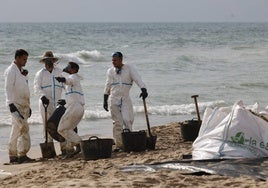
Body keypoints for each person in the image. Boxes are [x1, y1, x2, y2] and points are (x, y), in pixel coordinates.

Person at [103, 52, 148, 150]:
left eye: (115, 60)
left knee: (127, 120)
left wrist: (143, 89)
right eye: (112, 60)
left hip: (125, 98)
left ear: (121, 59)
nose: (113, 62)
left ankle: (128, 142)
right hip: (113, 98)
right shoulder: (110, 71)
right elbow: (108, 85)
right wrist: (105, 98)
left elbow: (137, 79)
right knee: (117, 122)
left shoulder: (129, 69)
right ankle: (119, 145)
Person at [4, 49, 34, 163]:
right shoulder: (11, 71)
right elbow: (8, 88)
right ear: (17, 58)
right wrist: (10, 104)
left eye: (26, 59)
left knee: (16, 130)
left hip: (23, 105)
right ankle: (22, 155)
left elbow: (24, 88)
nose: (25, 61)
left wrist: (28, 106)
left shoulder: (20, 71)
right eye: (24, 59)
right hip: (16, 105)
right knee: (23, 128)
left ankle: (13, 156)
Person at [33, 51, 66, 154]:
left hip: (58, 103)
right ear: (44, 62)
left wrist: (67, 98)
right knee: (47, 125)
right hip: (45, 104)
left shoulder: (60, 71)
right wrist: (42, 96)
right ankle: (50, 150)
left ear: (53, 60)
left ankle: (64, 148)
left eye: (50, 60)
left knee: (61, 125)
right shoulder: (40, 73)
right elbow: (36, 87)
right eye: (47, 60)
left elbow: (66, 85)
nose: (49, 62)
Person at [55, 62, 85, 158]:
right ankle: (76, 146)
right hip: (77, 107)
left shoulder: (73, 77)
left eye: (69, 67)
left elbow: (68, 80)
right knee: (68, 129)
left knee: (61, 129)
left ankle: (79, 144)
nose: (66, 68)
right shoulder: (75, 80)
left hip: (75, 107)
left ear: (74, 69)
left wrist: (62, 79)